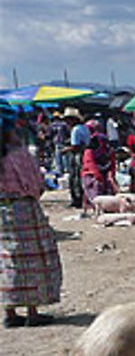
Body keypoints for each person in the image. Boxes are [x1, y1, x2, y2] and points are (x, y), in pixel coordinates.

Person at [1, 106, 62, 328]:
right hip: (23, 209)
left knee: (7, 259)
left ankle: (9, 312)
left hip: (1, 213)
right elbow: (35, 184)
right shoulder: (18, 154)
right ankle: (32, 311)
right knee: (32, 257)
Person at [81, 122, 116, 214]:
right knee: (96, 186)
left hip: (104, 172)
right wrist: (97, 175)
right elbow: (89, 164)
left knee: (109, 186)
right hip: (91, 174)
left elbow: (112, 162)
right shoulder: (90, 150)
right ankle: (95, 206)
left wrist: (111, 174)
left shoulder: (108, 149)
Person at [64, 107, 89, 209]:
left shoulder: (75, 129)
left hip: (78, 155)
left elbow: (75, 146)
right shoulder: (85, 128)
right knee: (81, 176)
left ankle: (76, 200)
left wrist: (65, 150)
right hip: (86, 154)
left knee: (74, 177)